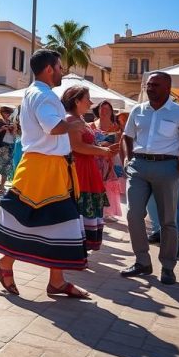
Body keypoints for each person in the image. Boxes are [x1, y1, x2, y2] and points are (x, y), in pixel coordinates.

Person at [0, 49, 90, 299]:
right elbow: (53, 127)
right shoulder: (44, 96)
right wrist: (75, 122)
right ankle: (9, 266)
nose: (62, 72)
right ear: (49, 69)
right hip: (44, 168)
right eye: (59, 67)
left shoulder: (36, 93)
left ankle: (53, 279)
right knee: (46, 220)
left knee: (50, 221)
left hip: (47, 167)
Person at [121, 72, 179, 286]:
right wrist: (128, 159)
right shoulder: (138, 110)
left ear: (168, 87)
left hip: (167, 167)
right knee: (133, 214)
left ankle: (168, 266)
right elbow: (126, 136)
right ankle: (142, 262)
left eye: (155, 84)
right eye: (148, 84)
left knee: (168, 220)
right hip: (139, 166)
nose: (150, 88)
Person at [62, 87, 117, 251]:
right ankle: (75, 250)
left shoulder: (79, 119)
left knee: (84, 208)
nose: (91, 102)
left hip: (87, 168)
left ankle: (79, 250)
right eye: (88, 98)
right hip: (79, 170)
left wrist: (103, 148)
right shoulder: (71, 120)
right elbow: (76, 146)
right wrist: (102, 151)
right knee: (79, 207)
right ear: (77, 101)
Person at [91, 101, 125, 221]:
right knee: (96, 184)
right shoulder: (92, 125)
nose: (104, 111)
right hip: (95, 158)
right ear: (98, 111)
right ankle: (96, 209)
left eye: (107, 109)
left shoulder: (116, 127)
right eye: (102, 109)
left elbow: (119, 145)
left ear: (111, 112)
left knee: (109, 185)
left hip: (110, 159)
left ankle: (108, 211)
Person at [0, 106, 17, 193]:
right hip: (0, 147)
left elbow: (14, 137)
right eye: (6, 113)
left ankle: (2, 185)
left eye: (9, 113)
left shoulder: (10, 123)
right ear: (2, 113)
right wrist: (2, 129)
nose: (8, 115)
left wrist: (13, 129)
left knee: (7, 167)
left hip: (9, 146)